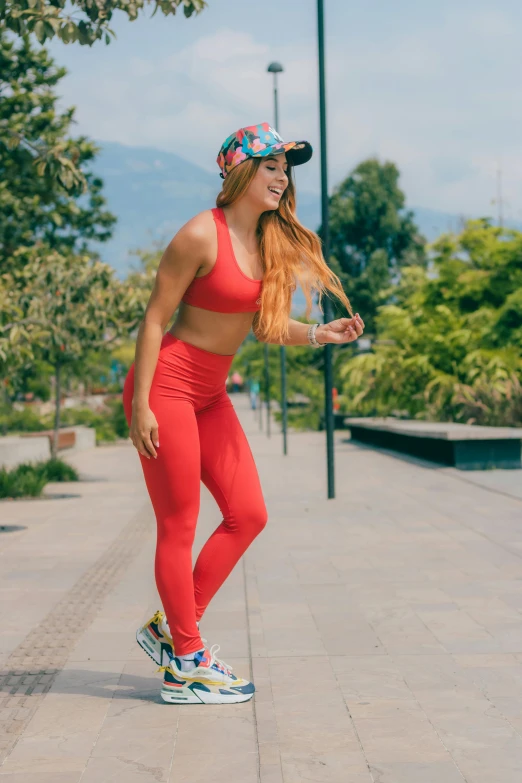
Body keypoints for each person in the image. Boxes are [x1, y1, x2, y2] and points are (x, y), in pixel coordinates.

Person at [122, 122, 365, 706]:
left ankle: (170, 630)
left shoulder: (268, 244)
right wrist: (139, 405)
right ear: (240, 173)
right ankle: (186, 663)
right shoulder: (198, 237)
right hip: (167, 389)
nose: (283, 178)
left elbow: (260, 325)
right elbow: (155, 318)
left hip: (211, 393)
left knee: (248, 514)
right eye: (273, 167)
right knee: (178, 525)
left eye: (287, 169)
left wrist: (317, 335)